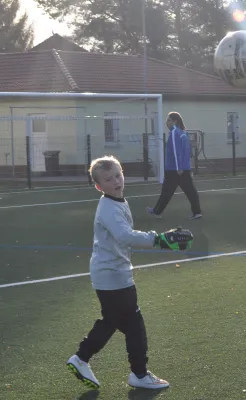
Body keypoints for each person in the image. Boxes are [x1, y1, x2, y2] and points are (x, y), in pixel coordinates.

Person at [66, 155, 193, 390]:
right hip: (112, 276)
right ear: (98, 186)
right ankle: (131, 371)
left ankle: (97, 361)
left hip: (113, 274)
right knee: (130, 324)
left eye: (118, 175)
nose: (116, 181)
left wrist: (158, 239)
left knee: (119, 322)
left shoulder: (116, 202)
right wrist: (160, 239)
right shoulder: (109, 208)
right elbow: (125, 236)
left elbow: (124, 235)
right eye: (108, 179)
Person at [146, 111, 202, 219]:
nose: (166, 123)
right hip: (183, 169)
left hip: (174, 170)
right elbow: (188, 152)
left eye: (168, 120)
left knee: (167, 191)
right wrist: (186, 166)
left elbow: (177, 152)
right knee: (190, 191)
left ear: (175, 121)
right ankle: (197, 212)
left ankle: (157, 212)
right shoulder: (183, 133)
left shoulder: (174, 133)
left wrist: (178, 167)